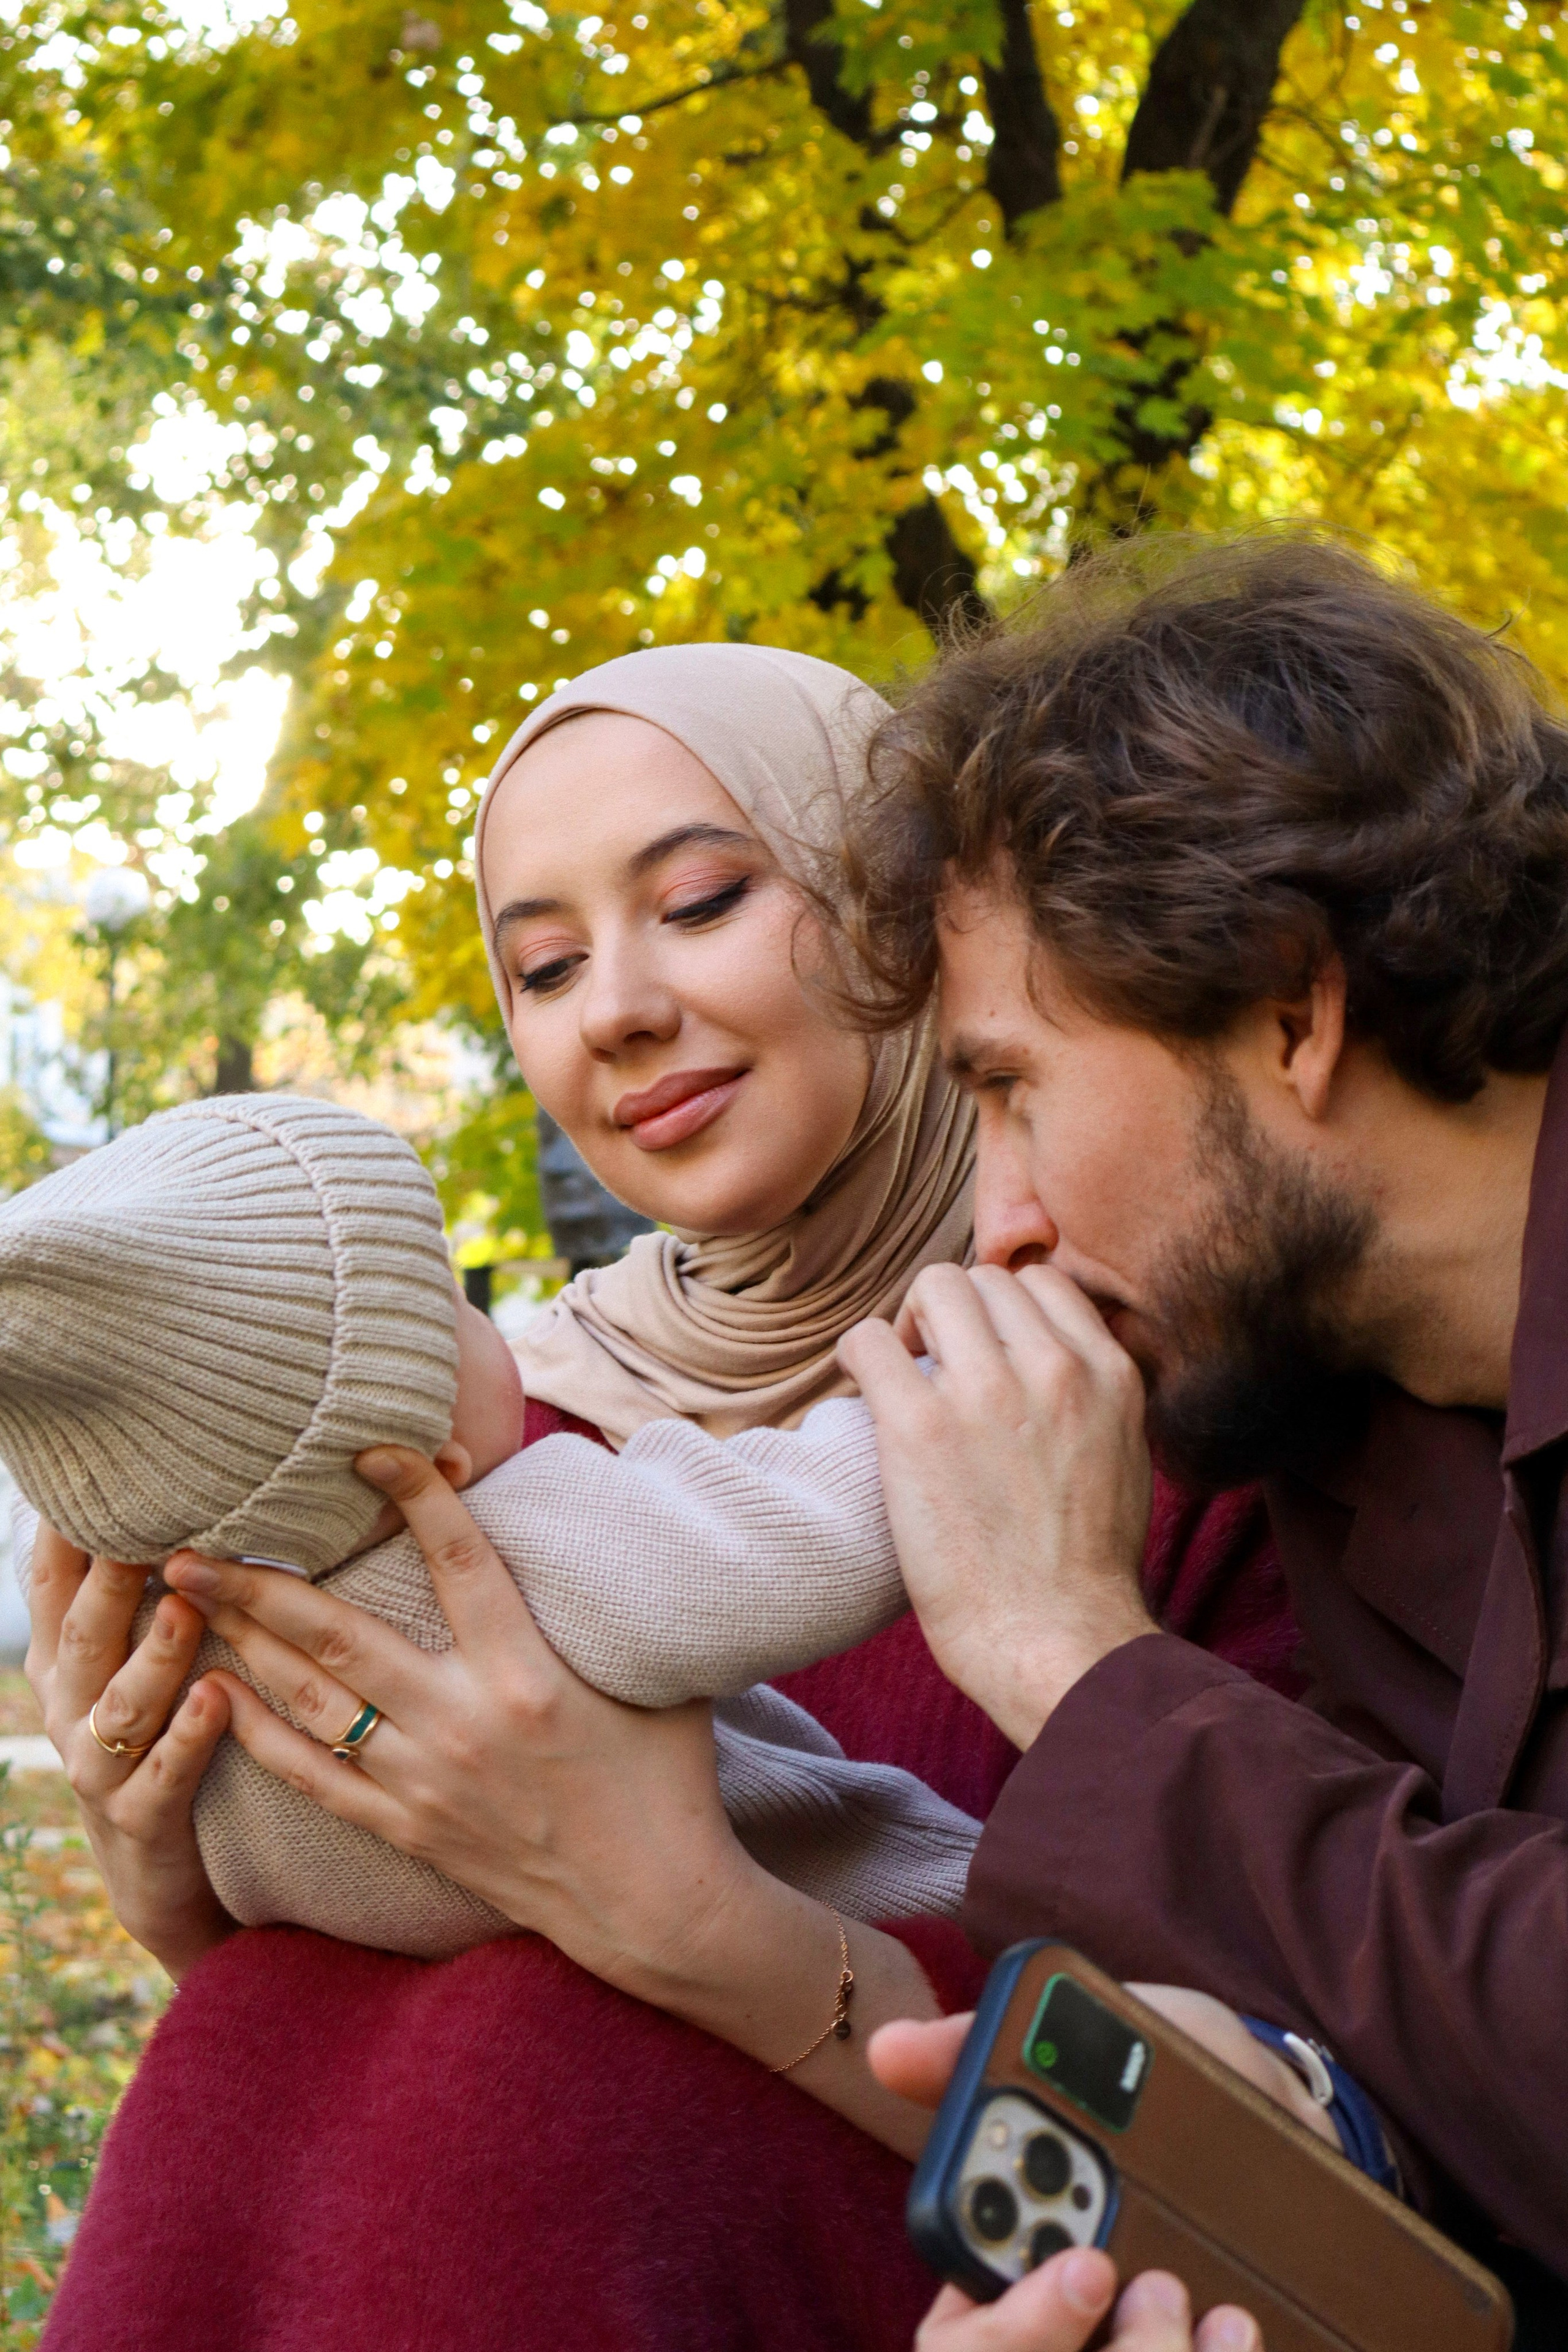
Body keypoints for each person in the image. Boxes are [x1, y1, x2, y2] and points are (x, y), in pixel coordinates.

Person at [26, 640, 1295, 2351]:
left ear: (909, 918)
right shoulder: (473, 1428)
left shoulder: (1152, 1394)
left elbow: (1318, 2158)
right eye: (541, 967)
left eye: (699, 900)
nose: (612, 1006)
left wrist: (699, 1926)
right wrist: (178, 1875)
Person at [831, 531, 1568, 2332]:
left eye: (1008, 1088)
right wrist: (1289, 2116)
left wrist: (1073, 1659)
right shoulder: (1336, 1424)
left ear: (1291, 1006)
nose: (993, 1222)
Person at [1, 1087, 977, 1958]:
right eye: (453, 1301)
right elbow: (815, 1536)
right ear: (429, 1461)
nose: (506, 1327)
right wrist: (946, 1380)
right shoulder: (524, 1549)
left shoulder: (151, 1665)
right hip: (895, 1925)